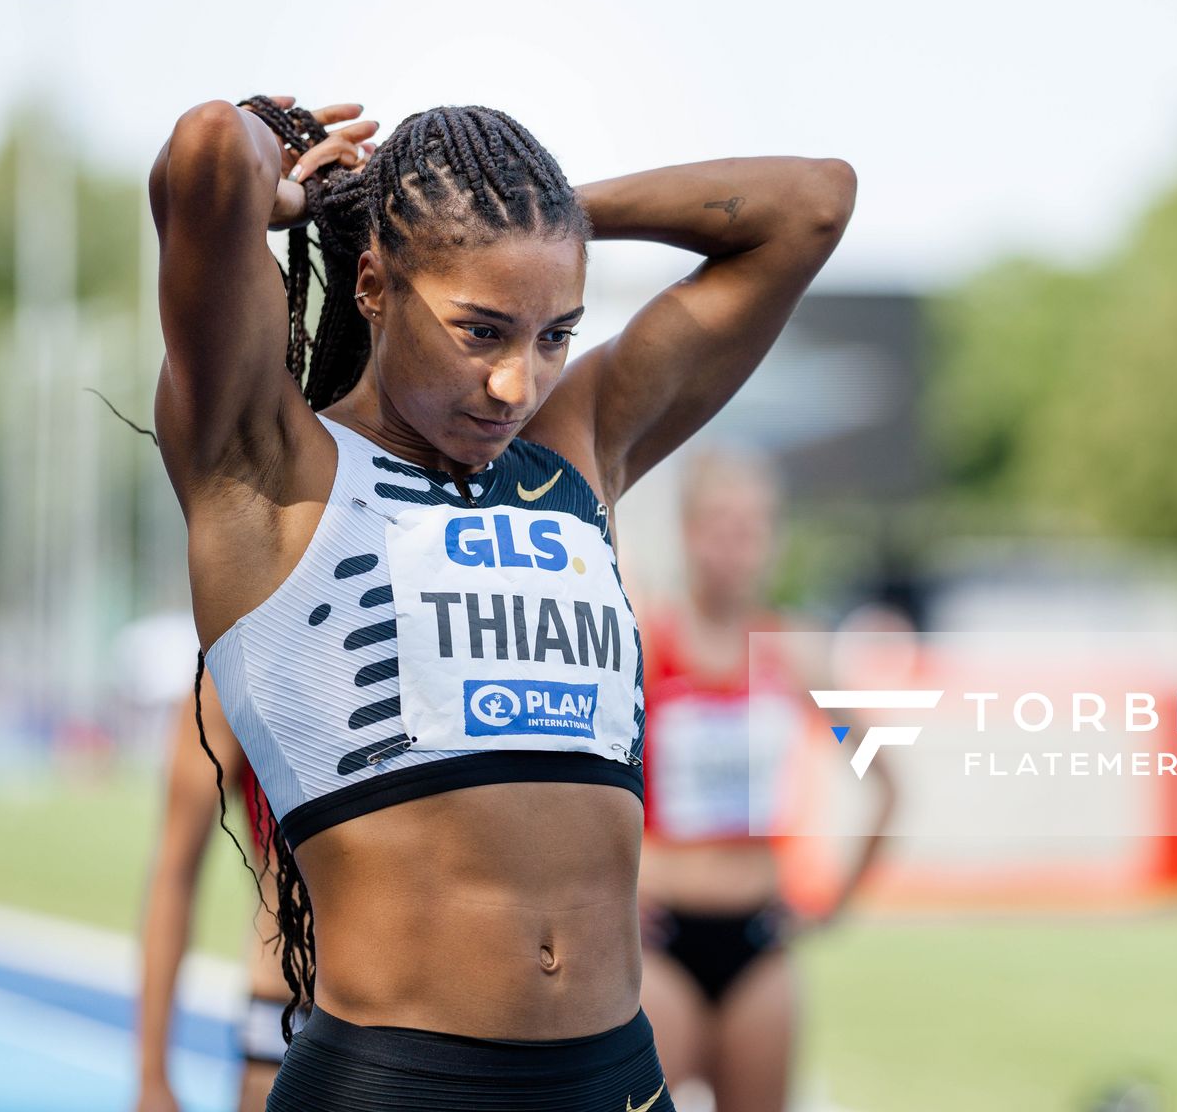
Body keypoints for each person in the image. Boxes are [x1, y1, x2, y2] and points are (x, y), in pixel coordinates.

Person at [148, 93, 855, 1110]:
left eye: (557, 332)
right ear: (376, 281)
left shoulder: (577, 452)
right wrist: (306, 187)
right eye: (481, 329)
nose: (515, 382)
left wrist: (548, 215)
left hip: (614, 1075)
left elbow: (813, 204)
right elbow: (211, 147)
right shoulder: (270, 474)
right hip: (400, 1082)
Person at [638, 448, 897, 1111]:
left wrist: (836, 899)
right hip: (659, 940)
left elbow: (876, 775)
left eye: (752, 528)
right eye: (719, 525)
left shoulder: (794, 659)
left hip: (759, 940)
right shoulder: (644, 644)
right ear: (688, 532)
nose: (734, 546)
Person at [133, 669, 299, 1112]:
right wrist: (152, 1078)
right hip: (286, 1014)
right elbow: (175, 871)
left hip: (437, 1018)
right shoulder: (236, 664)